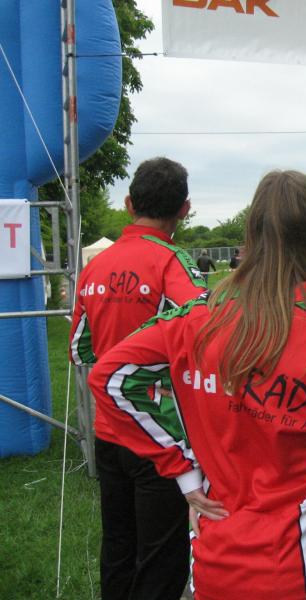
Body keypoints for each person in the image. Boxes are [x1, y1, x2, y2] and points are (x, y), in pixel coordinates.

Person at [87, 170, 306, 600]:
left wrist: (184, 472)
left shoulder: (198, 317)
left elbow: (109, 375)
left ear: (252, 234)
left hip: (216, 569)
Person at [69, 157, 206, 600]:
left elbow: (79, 349)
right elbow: (204, 334)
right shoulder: (172, 261)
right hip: (159, 431)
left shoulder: (95, 266)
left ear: (129, 204)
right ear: (184, 209)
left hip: (109, 430)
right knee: (161, 558)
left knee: (119, 545)